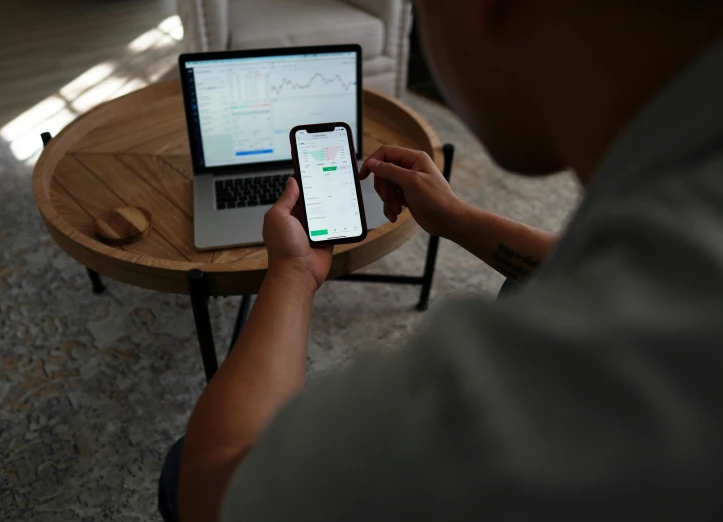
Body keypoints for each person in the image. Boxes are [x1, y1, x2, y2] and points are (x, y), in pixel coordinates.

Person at [160, 0, 723, 520]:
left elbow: (216, 487)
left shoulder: (532, 383)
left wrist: (293, 270)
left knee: (179, 465)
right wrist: (459, 219)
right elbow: (575, 270)